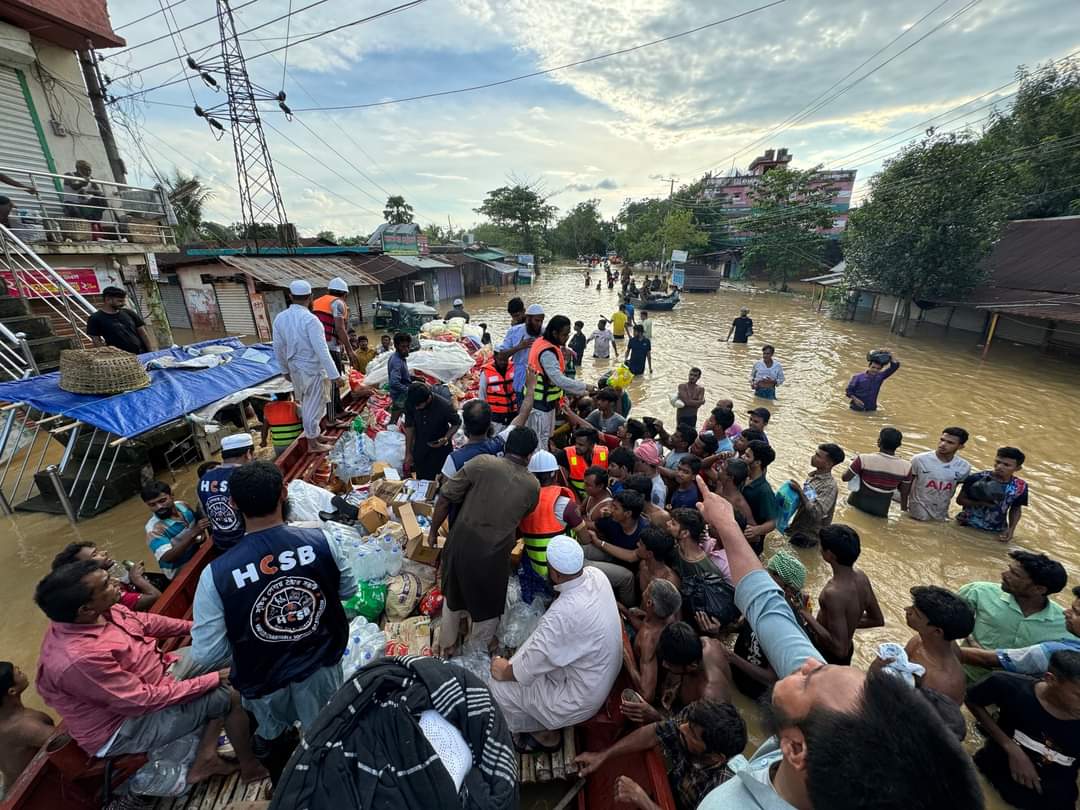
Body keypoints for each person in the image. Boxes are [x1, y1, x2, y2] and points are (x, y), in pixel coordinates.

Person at [693, 479, 984, 810]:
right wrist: (728, 527)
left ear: (795, 749)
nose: (806, 662)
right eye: (821, 667)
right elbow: (769, 610)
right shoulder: (833, 730)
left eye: (809, 678)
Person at [34, 560, 266, 784]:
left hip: (160, 672)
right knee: (232, 693)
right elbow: (141, 700)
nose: (115, 582)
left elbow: (146, 622)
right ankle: (250, 769)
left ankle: (209, 750)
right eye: (106, 583)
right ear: (85, 608)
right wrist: (215, 678)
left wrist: (206, 629)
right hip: (127, 725)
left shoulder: (101, 610)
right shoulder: (77, 659)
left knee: (223, 649)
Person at [190, 461, 355, 745]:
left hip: (262, 680)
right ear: (284, 492)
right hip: (321, 667)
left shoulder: (214, 575)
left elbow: (207, 654)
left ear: (232, 503)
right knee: (329, 733)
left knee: (275, 739)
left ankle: (285, 775)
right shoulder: (322, 541)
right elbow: (348, 590)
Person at [489, 535, 622, 750]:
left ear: (556, 573)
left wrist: (504, 671)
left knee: (499, 687)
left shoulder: (562, 615)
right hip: (598, 672)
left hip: (581, 697)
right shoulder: (596, 575)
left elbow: (527, 666)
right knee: (527, 652)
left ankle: (544, 734)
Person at [432, 428, 541, 655]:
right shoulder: (532, 486)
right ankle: (476, 655)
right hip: (494, 557)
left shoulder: (482, 463)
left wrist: (433, 533)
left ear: (506, 446)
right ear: (530, 456)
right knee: (487, 608)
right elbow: (520, 521)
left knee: (453, 600)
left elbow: (444, 498)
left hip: (460, 545)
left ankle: (445, 649)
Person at [574, 698, 747, 810]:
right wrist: (602, 756)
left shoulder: (722, 791)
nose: (682, 728)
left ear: (717, 757)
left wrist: (642, 800)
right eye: (687, 724)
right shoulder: (693, 718)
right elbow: (654, 733)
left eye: (692, 734)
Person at [966, 650, 1080, 810]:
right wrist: (1009, 746)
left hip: (1050, 800)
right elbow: (971, 699)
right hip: (991, 775)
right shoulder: (1010, 687)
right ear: (1051, 679)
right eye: (1079, 695)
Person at [958, 550, 1068, 681]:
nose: (1004, 575)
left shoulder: (1065, 622)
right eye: (1009, 569)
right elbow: (944, 621)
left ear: (1039, 589)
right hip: (962, 675)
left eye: (1015, 574)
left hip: (1013, 693)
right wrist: (970, 639)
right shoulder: (977, 592)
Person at [726, 550, 809, 700]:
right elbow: (746, 630)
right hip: (737, 677)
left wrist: (731, 657)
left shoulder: (786, 625)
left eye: (771, 574)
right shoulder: (763, 599)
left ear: (787, 589)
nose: (764, 576)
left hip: (756, 694)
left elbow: (772, 678)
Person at [272, 280, 342, 453]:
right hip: (311, 369)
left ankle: (316, 435)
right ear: (311, 297)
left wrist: (284, 370)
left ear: (290, 297)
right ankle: (313, 444)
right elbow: (322, 350)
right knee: (313, 406)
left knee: (310, 403)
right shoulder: (311, 320)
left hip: (295, 368)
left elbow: (278, 347)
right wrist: (335, 375)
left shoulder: (280, 318)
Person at [801, 525, 884, 665]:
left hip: (826, 655)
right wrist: (847, 626)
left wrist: (805, 613)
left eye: (822, 546)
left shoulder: (832, 593)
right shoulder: (862, 577)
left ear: (830, 555)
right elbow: (877, 619)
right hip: (846, 651)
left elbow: (839, 649)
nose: (820, 548)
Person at [622, 621, 734, 723]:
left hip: (703, 725)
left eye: (670, 664)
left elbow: (692, 738)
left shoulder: (708, 697)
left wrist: (656, 716)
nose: (664, 664)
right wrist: (676, 687)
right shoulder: (704, 643)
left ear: (692, 666)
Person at [959, 585, 1080, 676]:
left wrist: (943, 649)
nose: (1065, 612)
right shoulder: (978, 590)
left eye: (1076, 612)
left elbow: (987, 660)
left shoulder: (1053, 651)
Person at [518, 450, 588, 599]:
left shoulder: (521, 502)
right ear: (555, 474)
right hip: (562, 569)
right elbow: (586, 539)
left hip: (534, 564)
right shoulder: (564, 504)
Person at [900, 585, 975, 704]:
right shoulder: (920, 640)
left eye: (915, 613)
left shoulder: (945, 683)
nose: (906, 610)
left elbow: (932, 720)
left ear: (937, 631)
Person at [527, 315, 590, 450]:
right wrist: (586, 387)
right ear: (554, 333)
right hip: (540, 404)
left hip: (544, 401)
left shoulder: (542, 342)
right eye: (564, 334)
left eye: (568, 334)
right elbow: (558, 379)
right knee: (539, 441)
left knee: (544, 438)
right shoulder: (548, 352)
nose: (567, 337)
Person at [51, 541, 163, 612]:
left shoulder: (112, 580)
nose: (104, 552)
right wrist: (137, 579)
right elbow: (157, 598)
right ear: (83, 568)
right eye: (95, 555)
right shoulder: (106, 592)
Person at [586, 489, 649, 606]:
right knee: (584, 550)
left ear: (628, 513)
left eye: (615, 508)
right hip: (612, 556)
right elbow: (592, 525)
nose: (611, 510)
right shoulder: (611, 519)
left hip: (631, 572)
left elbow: (632, 556)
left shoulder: (645, 530)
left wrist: (600, 543)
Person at [311, 278, 362, 422]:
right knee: (334, 380)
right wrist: (350, 350)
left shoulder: (316, 302)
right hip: (330, 347)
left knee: (335, 378)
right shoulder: (338, 303)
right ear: (345, 294)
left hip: (318, 347)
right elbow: (339, 328)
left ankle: (339, 410)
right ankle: (333, 417)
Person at [624, 579, 681, 703]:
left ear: (649, 603)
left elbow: (647, 695)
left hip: (653, 679)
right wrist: (625, 611)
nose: (644, 591)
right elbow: (647, 625)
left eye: (647, 590)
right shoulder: (669, 615)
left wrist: (628, 660)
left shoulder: (648, 641)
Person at [0, 662, 54, 790]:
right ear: (12, 691)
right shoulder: (26, 727)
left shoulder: (8, 721)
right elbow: (67, 743)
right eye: (16, 671)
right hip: (32, 792)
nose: (18, 669)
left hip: (11, 788)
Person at [956, 446, 1029, 541]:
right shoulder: (976, 478)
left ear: (1018, 468)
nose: (999, 467)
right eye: (998, 462)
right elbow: (960, 500)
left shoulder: (1020, 486)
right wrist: (981, 503)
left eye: (1006, 465)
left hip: (996, 530)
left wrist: (1011, 529)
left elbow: (1016, 509)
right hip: (966, 525)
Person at [197, 433, 254, 551]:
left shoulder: (204, 479)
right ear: (248, 453)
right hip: (246, 541)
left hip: (220, 543)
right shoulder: (246, 476)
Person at [141, 480, 208, 581]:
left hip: (198, 557)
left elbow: (199, 525)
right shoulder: (154, 529)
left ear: (172, 495)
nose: (159, 507)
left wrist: (200, 535)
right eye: (152, 505)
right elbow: (167, 557)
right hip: (181, 575)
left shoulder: (183, 505)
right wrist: (193, 534)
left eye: (162, 501)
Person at [842, 426, 912, 518]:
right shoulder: (906, 467)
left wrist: (853, 464)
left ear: (879, 441)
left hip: (855, 505)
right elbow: (904, 492)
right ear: (899, 445)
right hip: (880, 512)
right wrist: (903, 511)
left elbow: (845, 478)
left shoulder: (863, 459)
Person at [785, 442, 844, 547]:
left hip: (809, 537)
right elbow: (809, 500)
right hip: (798, 527)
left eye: (818, 456)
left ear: (829, 464)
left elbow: (817, 513)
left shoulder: (829, 486)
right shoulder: (813, 476)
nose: (813, 457)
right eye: (815, 454)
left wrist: (799, 491)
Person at [907, 427, 971, 521]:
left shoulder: (964, 467)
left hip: (941, 513)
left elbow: (953, 489)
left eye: (950, 442)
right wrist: (904, 507)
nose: (943, 444)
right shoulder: (919, 460)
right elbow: (906, 484)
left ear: (960, 446)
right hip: (917, 512)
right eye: (942, 440)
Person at [403, 382, 461, 480]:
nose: (416, 408)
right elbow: (409, 426)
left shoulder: (444, 406)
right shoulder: (411, 402)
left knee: (440, 481)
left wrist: (446, 438)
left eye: (419, 405)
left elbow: (456, 423)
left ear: (428, 399)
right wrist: (408, 452)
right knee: (422, 479)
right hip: (421, 447)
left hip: (440, 450)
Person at [86, 286, 154, 354]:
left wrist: (151, 352)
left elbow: (143, 333)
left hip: (142, 353)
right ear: (108, 299)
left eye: (124, 301)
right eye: (120, 301)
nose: (123, 304)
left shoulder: (129, 313)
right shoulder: (95, 318)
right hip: (120, 357)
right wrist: (107, 356)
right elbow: (96, 341)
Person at [497, 299, 540, 398]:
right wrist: (519, 347)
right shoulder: (513, 331)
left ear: (524, 311)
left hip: (537, 375)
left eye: (517, 315)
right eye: (513, 316)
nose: (516, 318)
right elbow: (502, 355)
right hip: (520, 376)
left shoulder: (538, 327)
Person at [740, 440, 777, 554]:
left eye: (747, 456)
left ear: (757, 463)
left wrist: (757, 530)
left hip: (751, 544)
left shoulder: (764, 491)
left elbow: (772, 522)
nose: (742, 457)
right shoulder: (743, 476)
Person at [668, 507, 720, 582]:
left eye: (673, 524)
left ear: (685, 533)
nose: (667, 523)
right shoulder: (674, 549)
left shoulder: (707, 570)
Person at [556, 426, 608, 500]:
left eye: (581, 445)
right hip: (576, 498)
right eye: (576, 443)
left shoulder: (604, 453)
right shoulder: (565, 454)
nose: (576, 447)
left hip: (599, 498)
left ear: (592, 445)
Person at [478, 350, 517, 430]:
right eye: (500, 359)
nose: (503, 362)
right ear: (494, 358)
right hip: (495, 415)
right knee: (495, 438)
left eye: (505, 359)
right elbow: (482, 394)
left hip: (513, 412)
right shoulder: (486, 372)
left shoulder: (513, 367)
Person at [636, 527, 681, 596]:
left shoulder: (670, 582)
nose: (637, 544)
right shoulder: (643, 565)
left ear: (649, 554)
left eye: (641, 544)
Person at [260, 391, 303, 456]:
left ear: (275, 395)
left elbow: (264, 427)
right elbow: (306, 424)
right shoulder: (295, 407)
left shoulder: (268, 408)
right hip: (295, 444)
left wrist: (263, 441)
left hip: (278, 445)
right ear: (289, 395)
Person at [387, 332, 414, 419]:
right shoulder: (397, 362)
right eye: (403, 347)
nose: (406, 349)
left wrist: (414, 378)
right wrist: (408, 390)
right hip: (400, 397)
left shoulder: (398, 357)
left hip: (400, 395)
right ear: (396, 346)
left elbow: (401, 376)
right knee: (405, 418)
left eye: (408, 346)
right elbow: (394, 382)